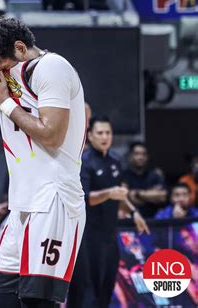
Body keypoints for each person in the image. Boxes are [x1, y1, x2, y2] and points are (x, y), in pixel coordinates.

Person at [0, 16, 87, 307]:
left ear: (20, 49)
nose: (1, 77)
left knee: (38, 302)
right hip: (21, 205)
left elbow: (52, 135)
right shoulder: (14, 77)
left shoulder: (53, 67)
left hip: (54, 199)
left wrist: (4, 102)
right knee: (4, 298)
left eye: (3, 69)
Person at [68, 115, 149, 308]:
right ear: (90, 135)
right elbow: (85, 198)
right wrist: (109, 193)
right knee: (87, 291)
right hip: (87, 237)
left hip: (110, 235)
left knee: (107, 287)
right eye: (100, 133)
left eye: (108, 132)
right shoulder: (84, 162)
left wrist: (134, 212)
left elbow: (120, 193)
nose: (105, 137)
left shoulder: (115, 160)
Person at [123, 142, 167, 218]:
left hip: (153, 219)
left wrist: (138, 194)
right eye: (136, 154)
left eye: (144, 154)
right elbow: (124, 198)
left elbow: (162, 196)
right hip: (130, 220)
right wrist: (150, 196)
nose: (141, 157)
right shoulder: (124, 175)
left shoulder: (155, 174)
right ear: (130, 156)